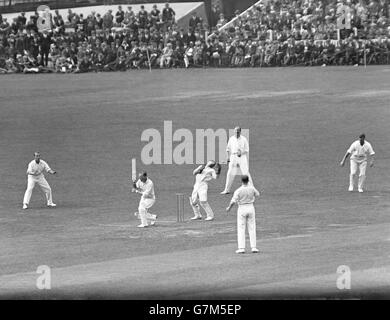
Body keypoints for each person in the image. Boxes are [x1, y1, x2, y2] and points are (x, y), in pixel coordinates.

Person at [226, 175, 260, 254]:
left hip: (242, 208)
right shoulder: (251, 188)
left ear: (241, 181)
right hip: (251, 207)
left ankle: (241, 248)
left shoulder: (239, 190)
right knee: (252, 227)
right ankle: (254, 247)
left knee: (241, 228)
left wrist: (229, 208)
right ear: (248, 181)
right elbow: (257, 194)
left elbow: (233, 201)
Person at [221, 126, 252, 194]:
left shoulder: (244, 139)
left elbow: (247, 150)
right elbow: (228, 148)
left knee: (245, 172)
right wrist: (228, 157)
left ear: (240, 132)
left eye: (238, 132)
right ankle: (227, 190)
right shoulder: (231, 138)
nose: (236, 133)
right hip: (233, 156)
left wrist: (241, 153)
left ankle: (251, 189)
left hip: (242, 157)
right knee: (230, 173)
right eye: (235, 132)